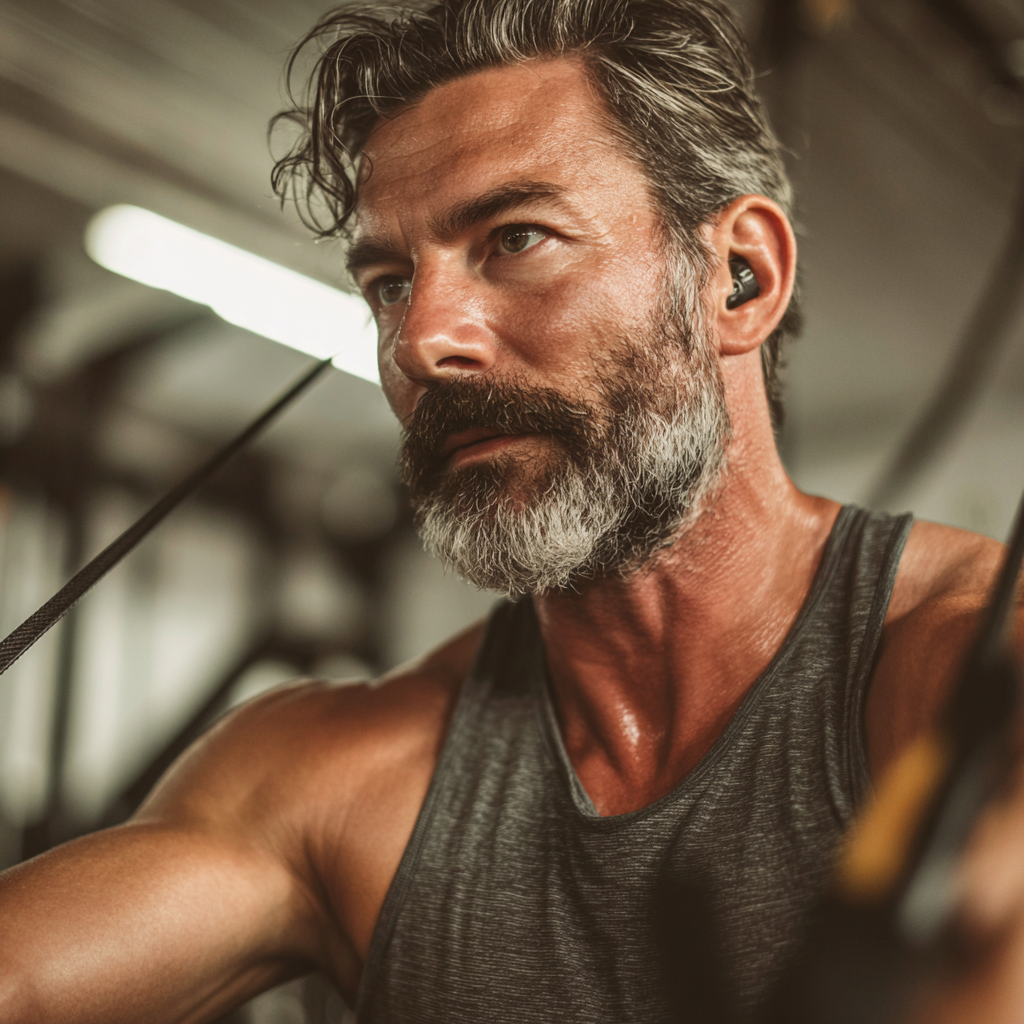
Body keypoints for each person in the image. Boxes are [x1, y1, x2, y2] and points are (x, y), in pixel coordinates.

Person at [1, 1, 1022, 1022]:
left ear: (738, 278)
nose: (420, 340)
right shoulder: (335, 785)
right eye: (390, 284)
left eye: (515, 237)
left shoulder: (958, 670)